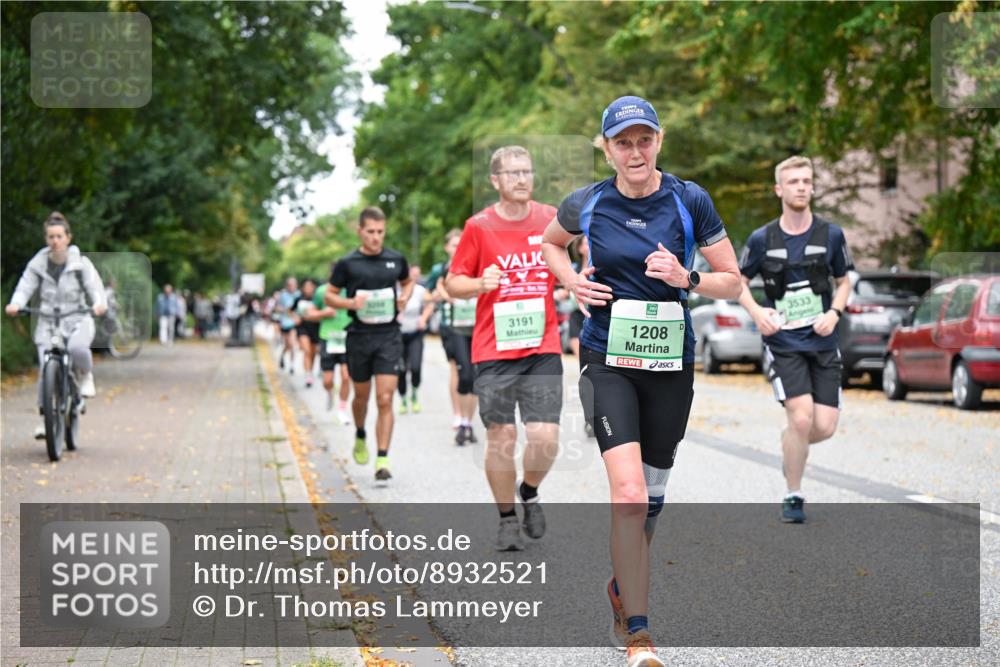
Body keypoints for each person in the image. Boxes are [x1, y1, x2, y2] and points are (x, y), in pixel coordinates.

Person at [541, 95, 741, 667]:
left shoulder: (688, 199)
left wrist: (688, 276)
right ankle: (640, 636)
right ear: (606, 148)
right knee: (627, 494)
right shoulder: (588, 201)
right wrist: (573, 283)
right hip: (607, 358)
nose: (634, 151)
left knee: (650, 503)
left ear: (659, 140)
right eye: (622, 141)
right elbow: (551, 244)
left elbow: (733, 281)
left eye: (643, 139)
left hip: (669, 364)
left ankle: (620, 589)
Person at [445, 145, 562, 551]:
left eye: (527, 171)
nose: (521, 179)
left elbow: (574, 259)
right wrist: (480, 284)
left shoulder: (551, 218)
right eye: (512, 173)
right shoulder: (478, 227)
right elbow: (452, 282)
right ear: (495, 181)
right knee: (502, 435)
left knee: (545, 436)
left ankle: (528, 490)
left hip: (542, 344)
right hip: (493, 349)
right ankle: (507, 519)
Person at [737, 155, 853, 524]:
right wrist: (758, 313)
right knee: (801, 419)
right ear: (779, 189)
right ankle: (793, 494)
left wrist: (834, 313)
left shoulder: (831, 235)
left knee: (825, 427)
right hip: (783, 343)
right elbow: (736, 281)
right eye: (794, 182)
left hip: (823, 341)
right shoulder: (762, 239)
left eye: (807, 181)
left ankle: (792, 445)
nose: (801, 187)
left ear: (813, 186)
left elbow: (845, 280)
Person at [325, 207, 413, 482]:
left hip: (388, 336)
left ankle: (383, 458)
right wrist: (350, 303)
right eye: (371, 232)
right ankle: (361, 433)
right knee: (361, 396)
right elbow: (330, 295)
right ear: (360, 231)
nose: (376, 237)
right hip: (359, 337)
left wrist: (404, 297)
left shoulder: (396, 259)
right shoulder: (347, 264)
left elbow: (408, 282)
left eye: (380, 232)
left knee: (385, 398)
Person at [6, 212, 108, 439]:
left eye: (59, 236)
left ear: (68, 238)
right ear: (46, 239)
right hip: (48, 321)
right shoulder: (38, 263)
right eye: (51, 236)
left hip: (78, 318)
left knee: (77, 349)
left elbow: (95, 288)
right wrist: (16, 303)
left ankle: (84, 375)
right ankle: (48, 420)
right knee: (45, 367)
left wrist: (99, 304)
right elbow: (25, 286)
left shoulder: (81, 264)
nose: (55, 241)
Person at [427, 229, 479, 442]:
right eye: (453, 245)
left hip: (475, 325)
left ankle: (467, 420)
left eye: (461, 244)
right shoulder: (439, 270)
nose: (457, 249)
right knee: (459, 368)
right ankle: (458, 415)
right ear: (446, 248)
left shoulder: (475, 266)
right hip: (452, 326)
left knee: (473, 372)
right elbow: (428, 295)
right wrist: (440, 294)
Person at [313, 270, 352, 423]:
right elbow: (312, 310)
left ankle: (342, 410)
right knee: (327, 380)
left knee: (346, 376)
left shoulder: (351, 290)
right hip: (327, 337)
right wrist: (323, 313)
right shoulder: (322, 291)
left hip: (346, 337)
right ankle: (330, 393)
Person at [397, 266, 435, 414]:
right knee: (400, 369)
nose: (415, 278)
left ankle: (414, 394)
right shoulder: (396, 289)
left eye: (417, 275)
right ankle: (403, 399)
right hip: (398, 335)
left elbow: (431, 304)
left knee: (416, 367)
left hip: (415, 334)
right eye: (412, 274)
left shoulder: (420, 290)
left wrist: (423, 318)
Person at [294, 278, 322, 387]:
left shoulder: (317, 298)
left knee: (313, 353)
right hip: (303, 328)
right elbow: (290, 310)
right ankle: (308, 374)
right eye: (306, 287)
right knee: (306, 350)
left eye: (310, 286)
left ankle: (310, 371)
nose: (308, 289)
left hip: (315, 327)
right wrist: (295, 318)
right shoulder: (299, 299)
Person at [277, 277, 299, 373]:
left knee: (292, 343)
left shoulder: (298, 295)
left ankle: (292, 365)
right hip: (285, 322)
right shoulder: (283, 295)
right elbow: (278, 308)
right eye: (290, 285)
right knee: (287, 345)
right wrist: (286, 310)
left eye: (294, 285)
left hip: (294, 323)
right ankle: (282, 356)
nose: (292, 287)